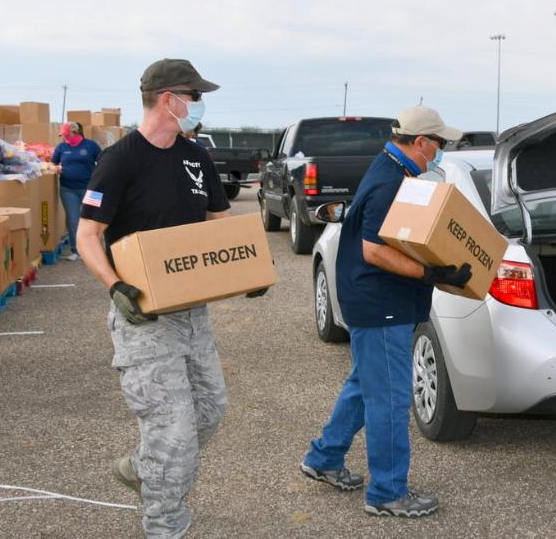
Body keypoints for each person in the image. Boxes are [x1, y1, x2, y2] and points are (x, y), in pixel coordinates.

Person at [76, 58, 265, 538]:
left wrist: (248, 267)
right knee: (174, 429)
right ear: (169, 99)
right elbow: (87, 235)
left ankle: (145, 468)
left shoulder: (196, 157)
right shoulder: (120, 160)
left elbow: (219, 223)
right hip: (142, 316)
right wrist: (114, 286)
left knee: (210, 410)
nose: (199, 105)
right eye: (195, 96)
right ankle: (165, 524)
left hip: (191, 312)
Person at [300, 105, 472, 518]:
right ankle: (387, 493)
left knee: (364, 385)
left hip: (379, 303)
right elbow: (374, 249)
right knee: (392, 399)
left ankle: (324, 458)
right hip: (381, 307)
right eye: (439, 144)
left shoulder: (395, 171)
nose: (440, 151)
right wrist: (432, 271)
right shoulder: (388, 180)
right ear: (421, 142)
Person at [51, 122, 101, 261]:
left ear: (75, 132)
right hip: (68, 189)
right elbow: (53, 163)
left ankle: (95, 249)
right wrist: (55, 168)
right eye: (63, 136)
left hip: (91, 188)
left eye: (67, 135)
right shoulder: (61, 147)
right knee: (73, 220)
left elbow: (103, 161)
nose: (65, 138)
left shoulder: (91, 146)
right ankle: (76, 250)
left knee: (94, 218)